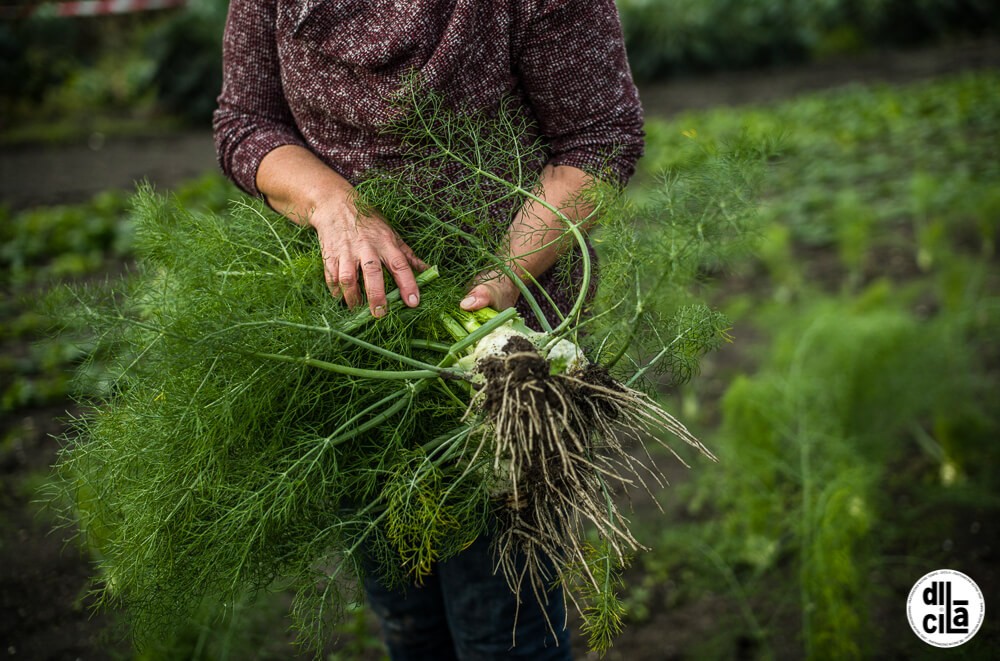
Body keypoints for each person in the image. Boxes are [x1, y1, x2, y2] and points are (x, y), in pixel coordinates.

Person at [213, 1, 644, 658]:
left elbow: (599, 138)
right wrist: (334, 202)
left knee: (501, 626)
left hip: (499, 362)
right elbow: (246, 122)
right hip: (353, 347)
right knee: (408, 619)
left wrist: (498, 283)